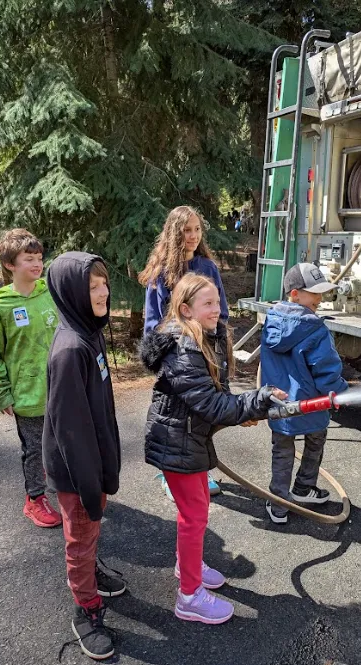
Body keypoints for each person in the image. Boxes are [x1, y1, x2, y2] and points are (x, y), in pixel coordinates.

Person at [140, 272, 287, 625]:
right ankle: (189, 597)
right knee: (195, 517)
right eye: (208, 303)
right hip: (177, 442)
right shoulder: (183, 348)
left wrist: (247, 409)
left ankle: (186, 564)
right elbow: (210, 404)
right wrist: (257, 401)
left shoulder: (205, 338)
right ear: (186, 309)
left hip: (188, 438)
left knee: (197, 510)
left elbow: (214, 401)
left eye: (218, 302)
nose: (216, 309)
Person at [43, 252, 125, 661]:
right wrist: (91, 485)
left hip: (94, 460)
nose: (103, 292)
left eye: (104, 283)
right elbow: (70, 431)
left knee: (91, 532)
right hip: (78, 472)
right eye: (92, 287)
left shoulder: (89, 333)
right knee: (80, 536)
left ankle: (92, 574)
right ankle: (85, 608)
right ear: (72, 292)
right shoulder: (70, 350)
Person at [138, 205, 228, 497]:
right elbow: (153, 322)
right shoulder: (161, 272)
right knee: (176, 416)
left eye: (197, 229)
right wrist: (166, 357)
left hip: (207, 352)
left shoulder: (208, 267)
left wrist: (219, 346)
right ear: (174, 233)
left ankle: (199, 468)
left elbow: (221, 310)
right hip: (177, 354)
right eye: (186, 230)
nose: (192, 236)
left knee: (203, 414)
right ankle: (170, 471)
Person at [0, 228, 61, 528]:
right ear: (10, 264)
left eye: (39, 258)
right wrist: (2, 393)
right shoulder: (0, 308)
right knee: (35, 449)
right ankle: (35, 499)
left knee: (63, 442)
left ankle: (62, 486)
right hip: (28, 396)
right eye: (29, 259)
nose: (37, 264)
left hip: (60, 390)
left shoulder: (51, 296)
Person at [260, 263, 348, 524]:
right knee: (315, 440)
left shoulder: (272, 320)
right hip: (312, 403)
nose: (320, 298)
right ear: (295, 293)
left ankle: (279, 503)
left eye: (322, 292)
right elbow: (326, 369)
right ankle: (303, 486)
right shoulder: (315, 328)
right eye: (314, 293)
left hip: (279, 403)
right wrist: (338, 393)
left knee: (282, 450)